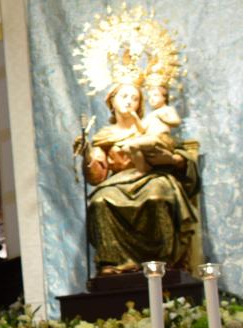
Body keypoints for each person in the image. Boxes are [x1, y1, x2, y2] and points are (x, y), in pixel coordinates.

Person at [80, 80, 199, 275]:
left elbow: (177, 153)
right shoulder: (104, 136)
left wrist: (175, 160)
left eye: (135, 98)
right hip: (118, 182)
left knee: (157, 198)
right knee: (100, 201)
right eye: (124, 96)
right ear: (112, 102)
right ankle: (112, 263)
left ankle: (162, 261)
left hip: (152, 177)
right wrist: (86, 153)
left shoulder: (150, 126)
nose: (129, 102)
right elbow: (97, 177)